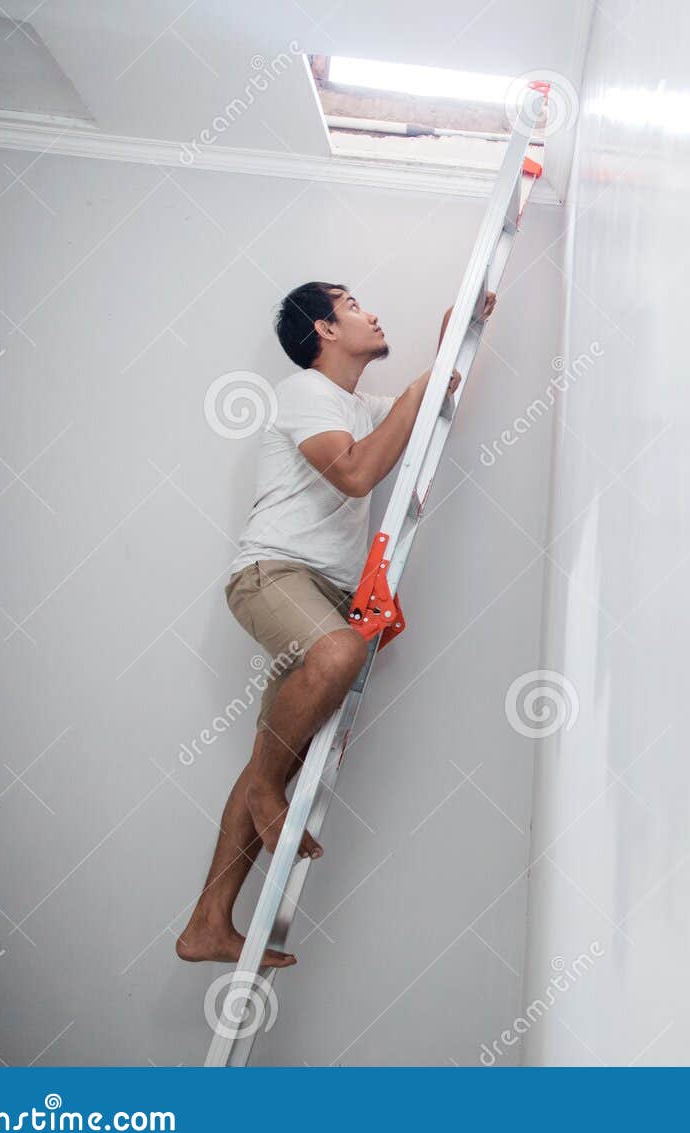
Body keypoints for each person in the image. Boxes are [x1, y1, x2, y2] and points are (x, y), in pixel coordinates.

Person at [176, 280, 493, 968]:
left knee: (275, 753)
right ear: (322, 329)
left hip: (321, 591)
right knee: (339, 655)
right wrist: (417, 390)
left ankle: (208, 921)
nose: (373, 312)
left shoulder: (358, 405)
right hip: (273, 574)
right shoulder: (305, 394)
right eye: (353, 306)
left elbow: (431, 406)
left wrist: (456, 337)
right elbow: (353, 472)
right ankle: (265, 790)